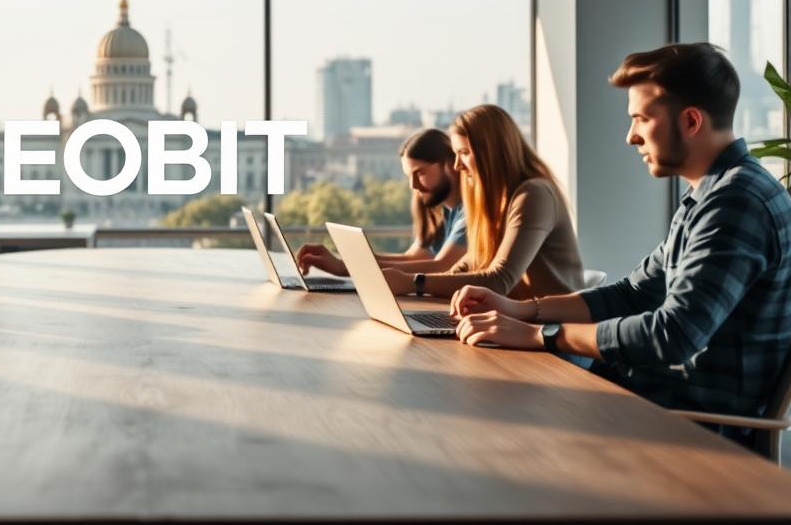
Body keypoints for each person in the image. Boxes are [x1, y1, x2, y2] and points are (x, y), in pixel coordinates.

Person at [450, 44, 791, 443]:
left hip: (688, 428)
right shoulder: (707, 196)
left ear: (691, 122)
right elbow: (632, 294)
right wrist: (520, 310)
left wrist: (542, 334)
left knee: (492, 418)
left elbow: (672, 336)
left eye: (641, 119)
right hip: (651, 401)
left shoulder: (738, 202)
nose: (630, 137)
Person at [386, 105, 586, 299]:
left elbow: (499, 280)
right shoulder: (500, 199)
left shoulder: (534, 195)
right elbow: (470, 263)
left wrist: (413, 282)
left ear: (491, 151)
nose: (457, 166)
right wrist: (415, 284)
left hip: (551, 327)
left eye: (464, 153)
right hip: (514, 319)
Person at [296, 128, 467, 277]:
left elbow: (443, 266)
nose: (413, 185)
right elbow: (413, 258)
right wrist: (345, 260)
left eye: (420, 173)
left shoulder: (467, 212)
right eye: (409, 176)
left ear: (449, 164)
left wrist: (346, 267)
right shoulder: (444, 212)